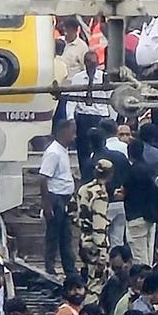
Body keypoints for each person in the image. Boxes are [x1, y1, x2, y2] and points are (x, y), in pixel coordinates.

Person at [41, 119, 77, 277]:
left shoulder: (63, 150)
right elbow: (43, 178)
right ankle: (50, 266)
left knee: (65, 235)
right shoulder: (53, 152)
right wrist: (47, 205)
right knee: (54, 235)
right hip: (55, 198)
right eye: (72, 132)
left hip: (65, 198)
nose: (74, 136)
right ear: (63, 132)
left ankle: (69, 268)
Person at [68, 49, 111, 177]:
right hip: (84, 116)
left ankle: (100, 174)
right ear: (85, 63)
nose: (92, 66)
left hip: (100, 117)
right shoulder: (78, 78)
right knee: (83, 149)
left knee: (101, 148)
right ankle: (85, 175)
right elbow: (71, 99)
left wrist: (112, 118)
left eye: (94, 63)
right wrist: (71, 119)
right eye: (89, 63)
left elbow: (110, 98)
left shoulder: (104, 77)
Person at [122, 140, 158, 266]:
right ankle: (149, 275)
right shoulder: (152, 169)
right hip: (150, 215)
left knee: (138, 254)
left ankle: (143, 279)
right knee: (149, 250)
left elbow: (126, 190)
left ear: (129, 154)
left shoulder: (131, 171)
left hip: (135, 215)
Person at [90, 128, 129, 249]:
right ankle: (116, 266)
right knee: (117, 240)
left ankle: (104, 265)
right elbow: (129, 176)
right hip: (121, 202)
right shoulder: (120, 156)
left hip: (103, 204)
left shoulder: (94, 161)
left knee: (100, 239)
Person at [77, 159, 112, 290]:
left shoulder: (83, 189)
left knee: (87, 281)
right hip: (95, 246)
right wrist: (102, 253)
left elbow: (72, 211)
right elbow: (99, 227)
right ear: (110, 175)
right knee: (96, 285)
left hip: (84, 240)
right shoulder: (100, 195)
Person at [99, 247, 132, 315]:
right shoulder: (111, 284)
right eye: (114, 268)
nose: (116, 272)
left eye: (119, 268)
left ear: (129, 262)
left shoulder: (137, 283)